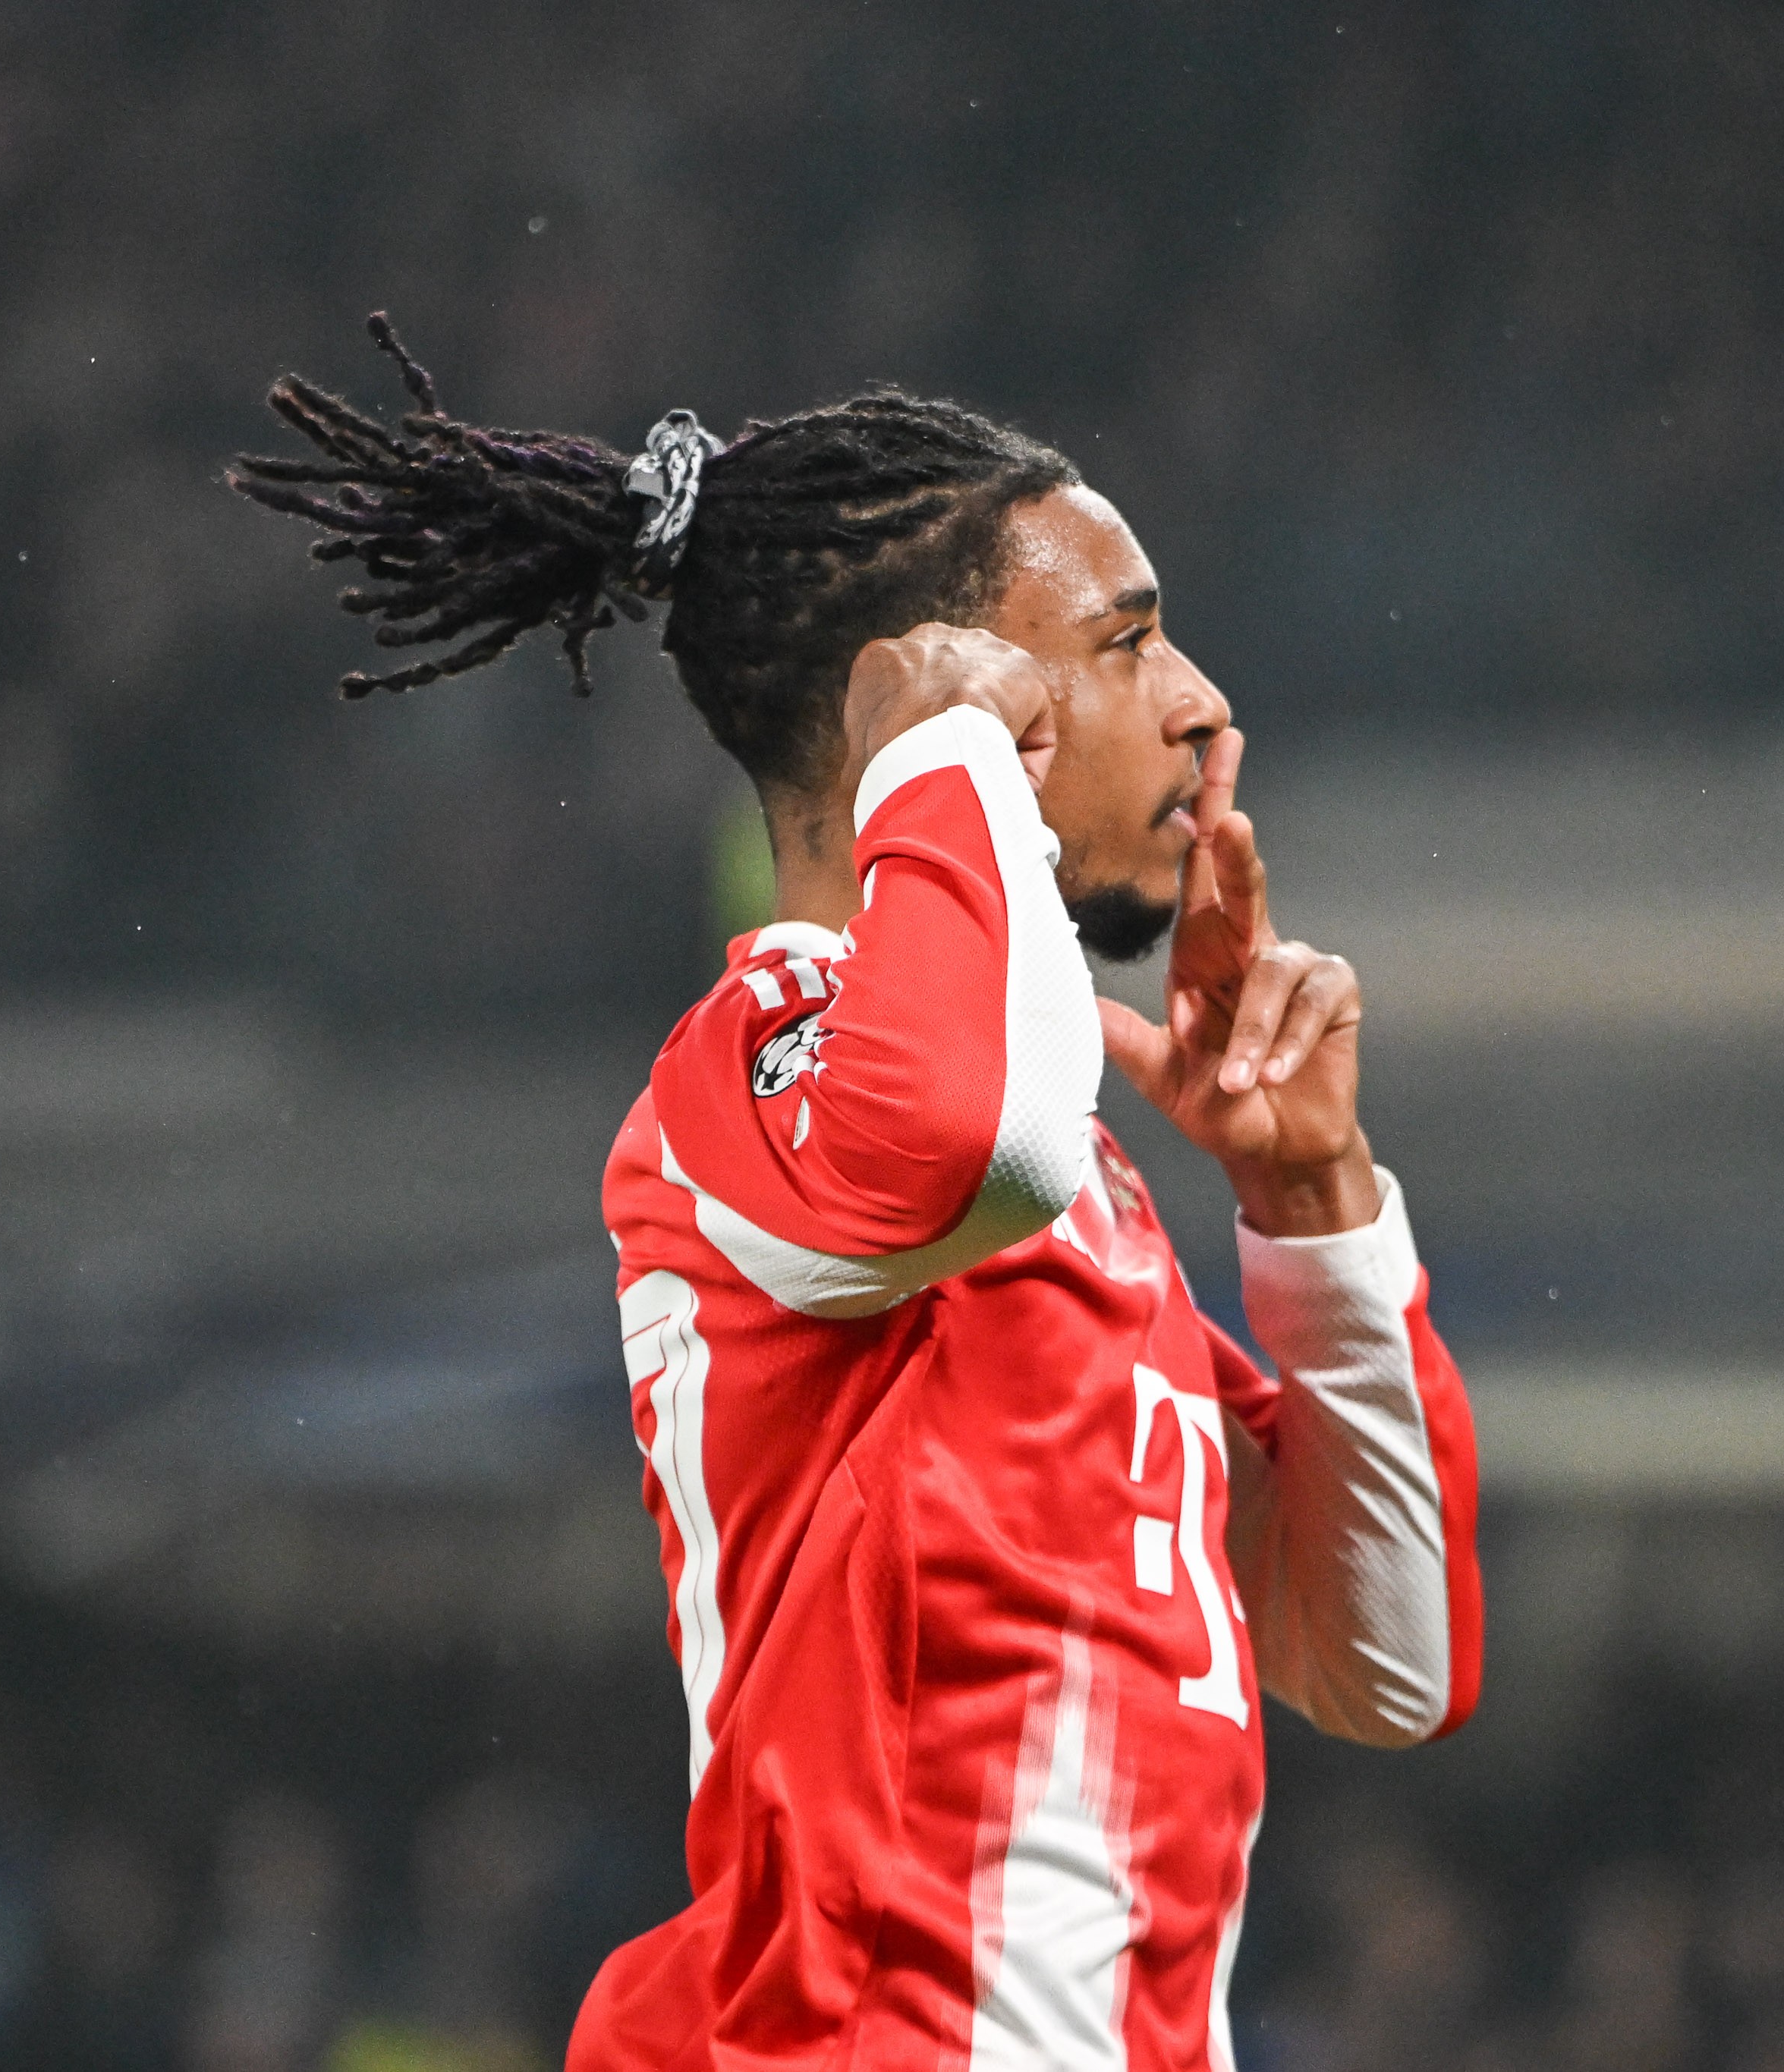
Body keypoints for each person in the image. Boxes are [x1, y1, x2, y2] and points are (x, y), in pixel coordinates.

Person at [235, 317, 1484, 2072]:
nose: (1198, 701)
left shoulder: (1084, 1189)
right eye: (1124, 641)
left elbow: (1389, 1660)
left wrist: (1313, 1206)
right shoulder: (753, 1075)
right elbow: (968, 1136)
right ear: (930, 691)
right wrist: (938, 757)